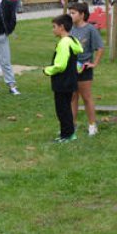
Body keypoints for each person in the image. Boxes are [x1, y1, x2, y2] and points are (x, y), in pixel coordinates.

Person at [43, 14, 83, 142]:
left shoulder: (64, 43)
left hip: (62, 81)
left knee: (62, 109)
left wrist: (47, 70)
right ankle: (69, 133)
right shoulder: (72, 40)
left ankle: (67, 135)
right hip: (70, 81)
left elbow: (60, 65)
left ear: (62, 27)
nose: (52, 29)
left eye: (54, 27)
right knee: (66, 107)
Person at [69, 2, 105, 137]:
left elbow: (100, 47)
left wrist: (94, 63)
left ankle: (92, 125)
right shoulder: (70, 29)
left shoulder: (90, 29)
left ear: (82, 15)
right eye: (70, 13)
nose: (70, 15)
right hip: (71, 68)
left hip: (84, 68)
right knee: (73, 96)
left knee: (86, 97)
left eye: (73, 13)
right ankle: (71, 124)